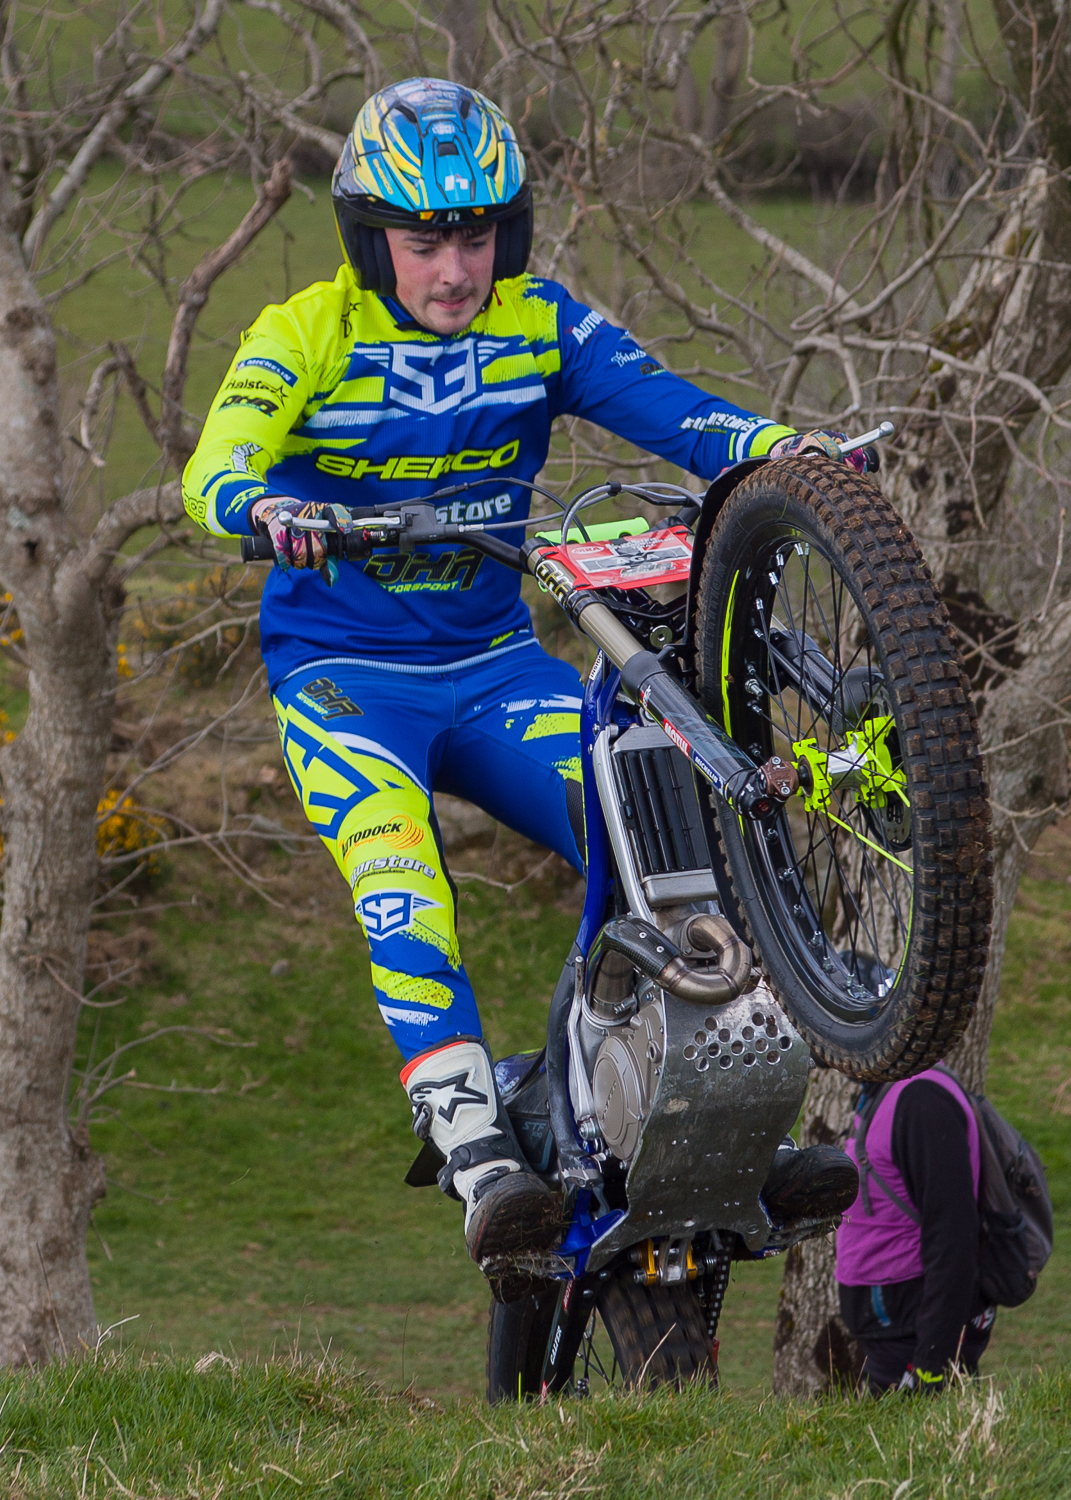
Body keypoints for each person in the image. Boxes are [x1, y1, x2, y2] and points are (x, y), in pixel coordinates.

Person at [183, 76, 862, 1285]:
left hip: (496, 670)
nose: (456, 269)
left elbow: (675, 413)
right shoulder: (303, 333)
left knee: (662, 831)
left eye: (480, 235)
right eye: (425, 241)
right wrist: (263, 505)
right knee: (401, 879)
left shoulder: (540, 322)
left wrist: (782, 452)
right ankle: (480, 1156)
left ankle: (723, 1126)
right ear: (370, 239)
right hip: (345, 681)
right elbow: (216, 466)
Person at [837, 1067, 996, 1393]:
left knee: (915, 1426)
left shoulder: (922, 1100)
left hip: (914, 1327)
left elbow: (954, 1235)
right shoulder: (887, 1090)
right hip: (892, 1330)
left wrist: (932, 1364)